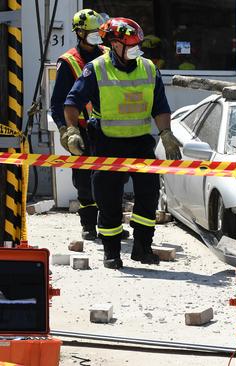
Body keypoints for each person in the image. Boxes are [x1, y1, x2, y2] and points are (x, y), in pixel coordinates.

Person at [63, 17, 182, 269]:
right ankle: (111, 253)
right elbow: (72, 103)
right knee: (108, 200)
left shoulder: (148, 68)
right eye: (130, 45)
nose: (136, 50)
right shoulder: (96, 69)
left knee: (149, 195)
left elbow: (160, 106)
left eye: (138, 45)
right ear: (115, 44)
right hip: (106, 143)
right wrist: (72, 130)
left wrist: (166, 134)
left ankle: (142, 249)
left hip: (140, 143)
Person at [52, 9, 109, 240]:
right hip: (82, 130)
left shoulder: (108, 55)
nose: (96, 35)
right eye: (91, 31)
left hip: (108, 128)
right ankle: (88, 225)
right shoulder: (68, 62)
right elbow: (58, 102)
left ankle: (109, 224)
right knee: (84, 181)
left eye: (99, 31)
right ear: (79, 32)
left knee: (108, 179)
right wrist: (66, 130)